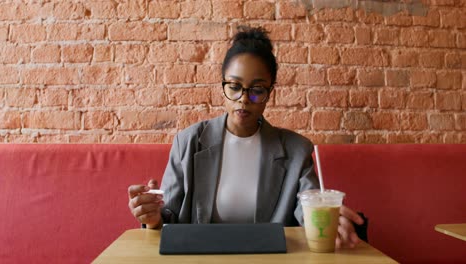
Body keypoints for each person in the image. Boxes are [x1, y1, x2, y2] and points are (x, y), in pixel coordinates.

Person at [128, 26, 364, 248]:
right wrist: (153, 218)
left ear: (270, 92)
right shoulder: (188, 143)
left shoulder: (296, 150)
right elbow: (170, 218)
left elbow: (307, 209)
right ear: (223, 86)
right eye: (234, 86)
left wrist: (325, 219)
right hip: (202, 257)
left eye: (257, 90)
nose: (244, 98)